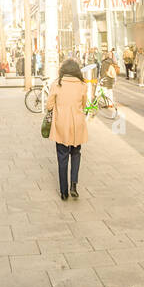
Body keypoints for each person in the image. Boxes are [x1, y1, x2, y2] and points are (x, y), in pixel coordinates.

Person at [46, 58, 88, 201]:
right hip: (77, 124)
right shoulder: (82, 85)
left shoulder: (57, 84)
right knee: (76, 154)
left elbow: (49, 105)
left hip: (61, 125)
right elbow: (84, 104)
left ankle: (64, 191)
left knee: (62, 156)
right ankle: (74, 186)